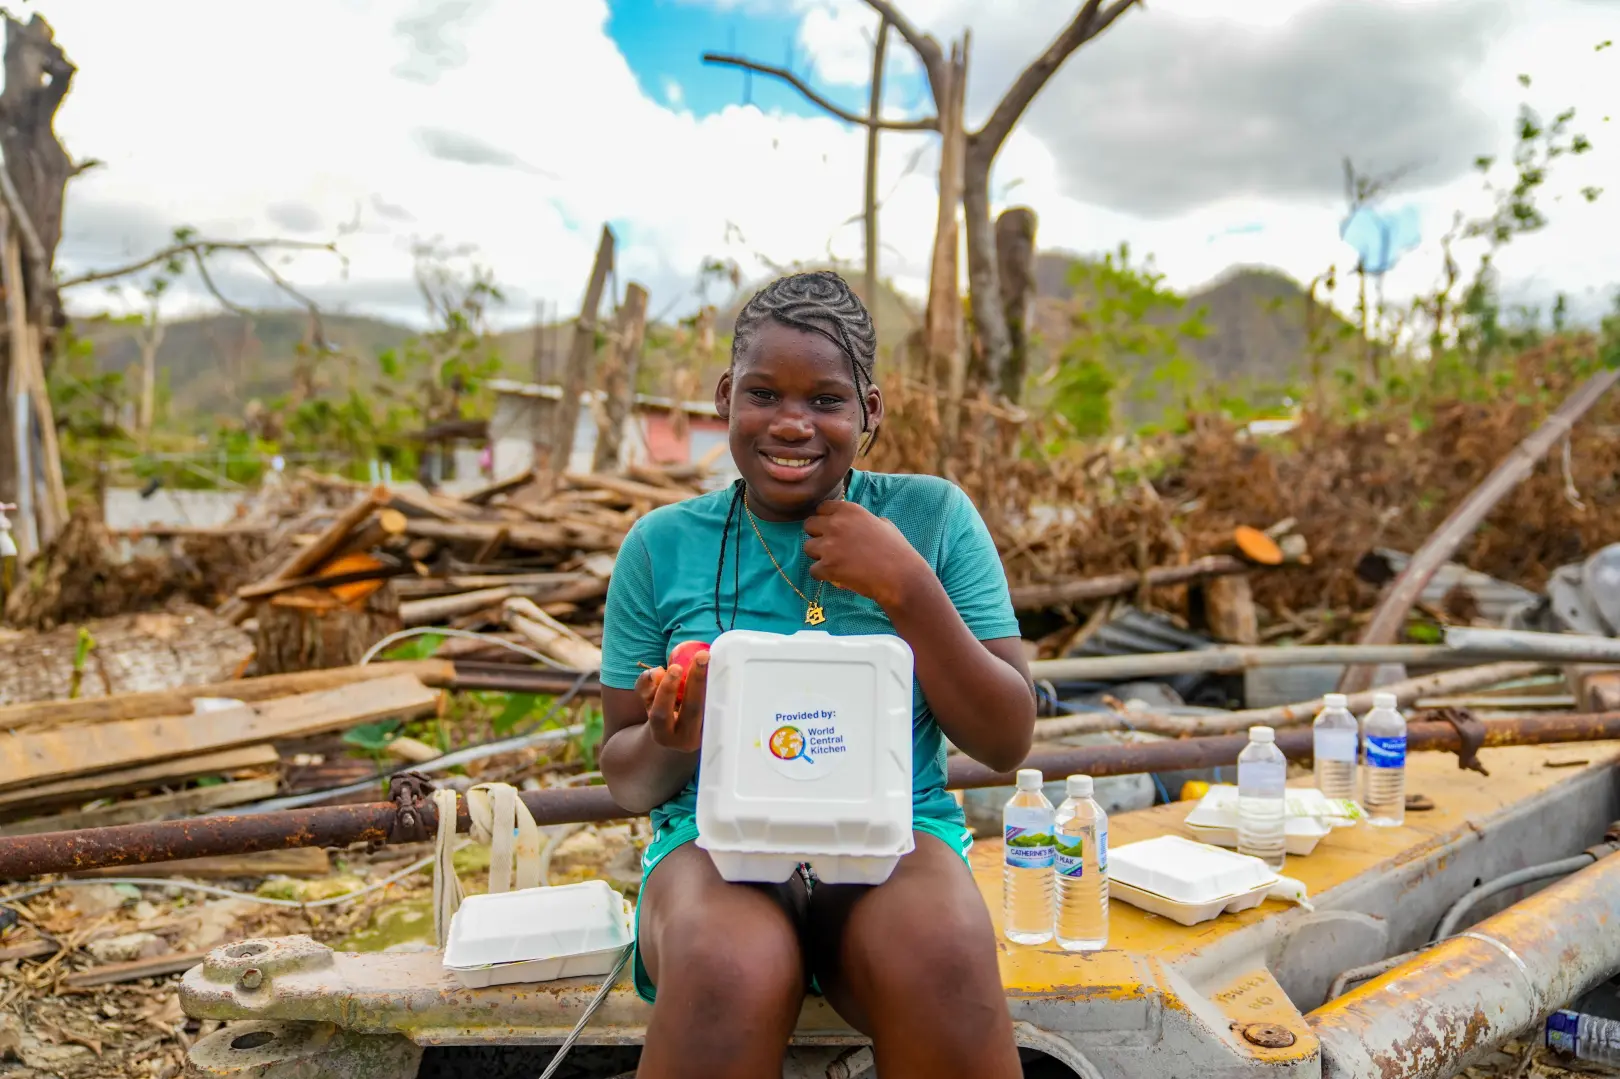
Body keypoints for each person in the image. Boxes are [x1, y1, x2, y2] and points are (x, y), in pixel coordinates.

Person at [600, 270, 1035, 1079]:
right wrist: (676, 737)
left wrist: (908, 587)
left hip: (896, 837)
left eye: (826, 400)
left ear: (869, 410)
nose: (792, 424)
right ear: (727, 396)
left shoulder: (931, 520)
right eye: (763, 393)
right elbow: (624, 777)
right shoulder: (663, 545)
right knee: (728, 964)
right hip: (714, 843)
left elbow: (1006, 738)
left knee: (938, 951)